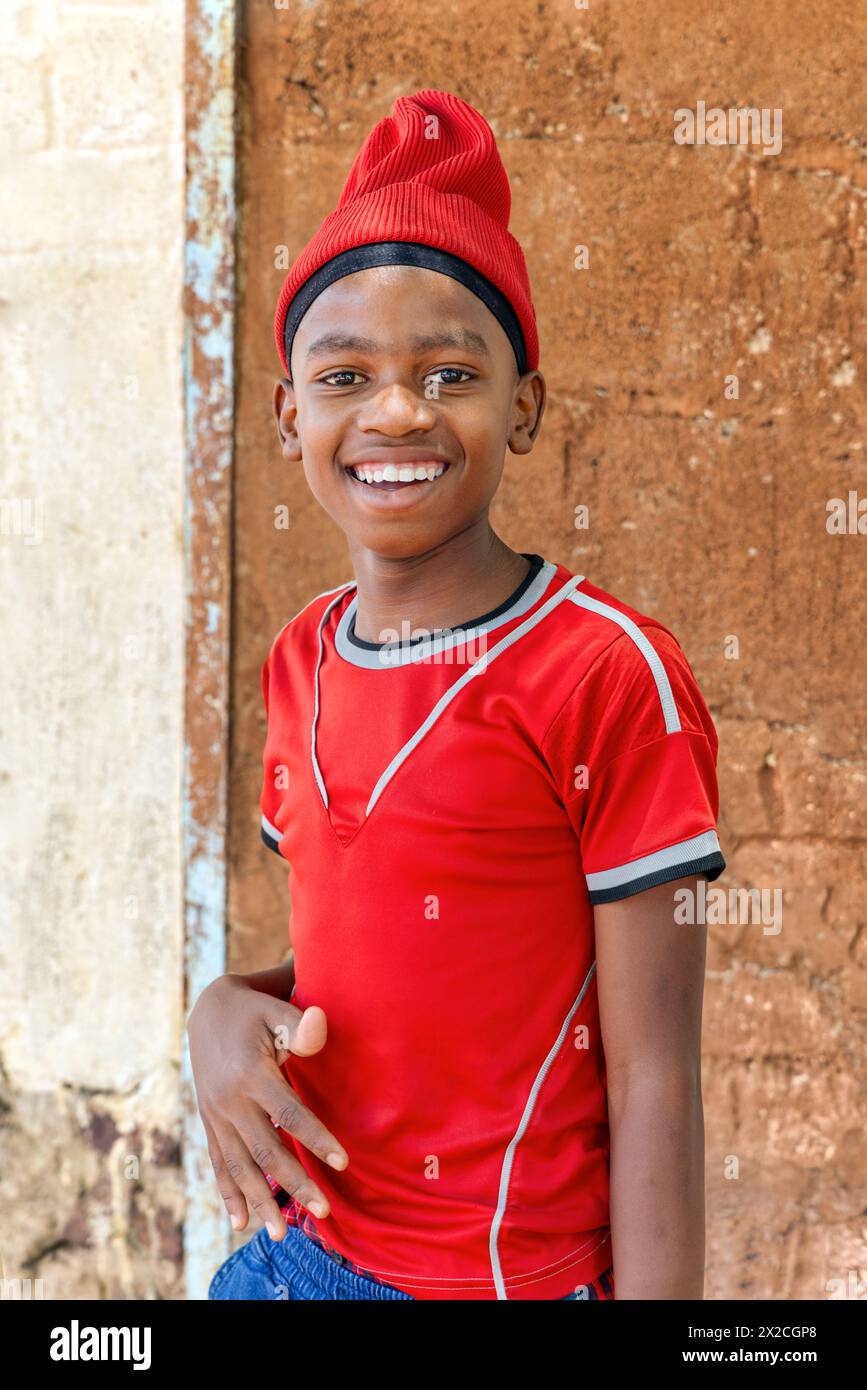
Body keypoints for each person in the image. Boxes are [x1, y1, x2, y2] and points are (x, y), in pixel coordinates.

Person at [188, 88, 725, 1301]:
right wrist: (223, 1005)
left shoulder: (604, 674)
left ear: (521, 407)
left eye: (449, 372)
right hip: (298, 1265)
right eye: (345, 373)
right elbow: (365, 958)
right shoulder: (300, 659)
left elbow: (654, 1078)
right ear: (290, 416)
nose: (395, 410)